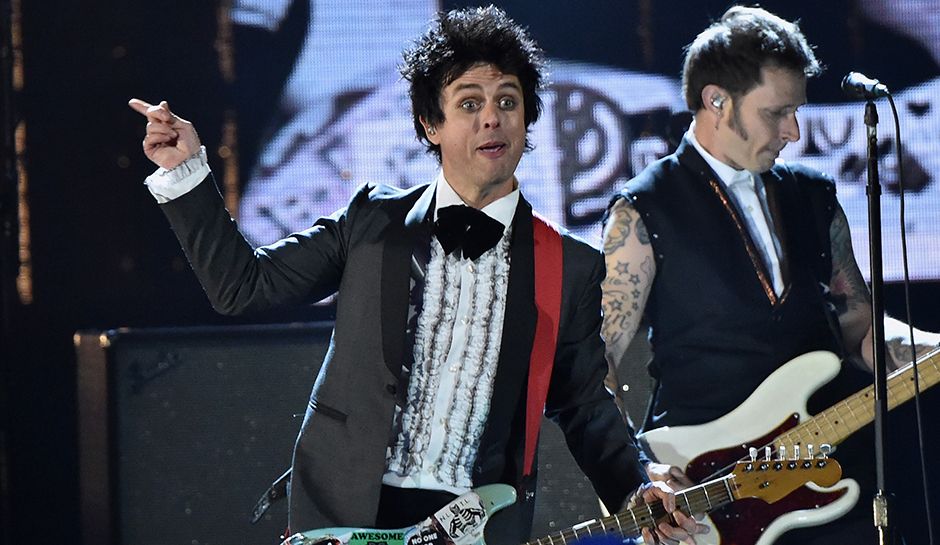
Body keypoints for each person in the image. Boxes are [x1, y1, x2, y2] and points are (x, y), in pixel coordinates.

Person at [129, 6, 706, 545]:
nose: (492, 117)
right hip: (346, 510)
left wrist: (635, 489)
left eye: (508, 101)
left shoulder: (569, 263)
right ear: (431, 124)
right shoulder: (372, 222)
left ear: (528, 119)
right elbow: (243, 287)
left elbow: (584, 405)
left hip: (477, 521)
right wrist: (187, 173)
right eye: (469, 102)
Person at [600, 6, 940, 545]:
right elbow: (594, 365)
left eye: (796, 111)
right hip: (712, 499)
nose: (794, 131)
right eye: (777, 113)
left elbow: (859, 327)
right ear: (716, 101)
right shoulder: (644, 210)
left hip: (834, 486)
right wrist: (639, 472)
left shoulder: (813, 196)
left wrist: (929, 348)